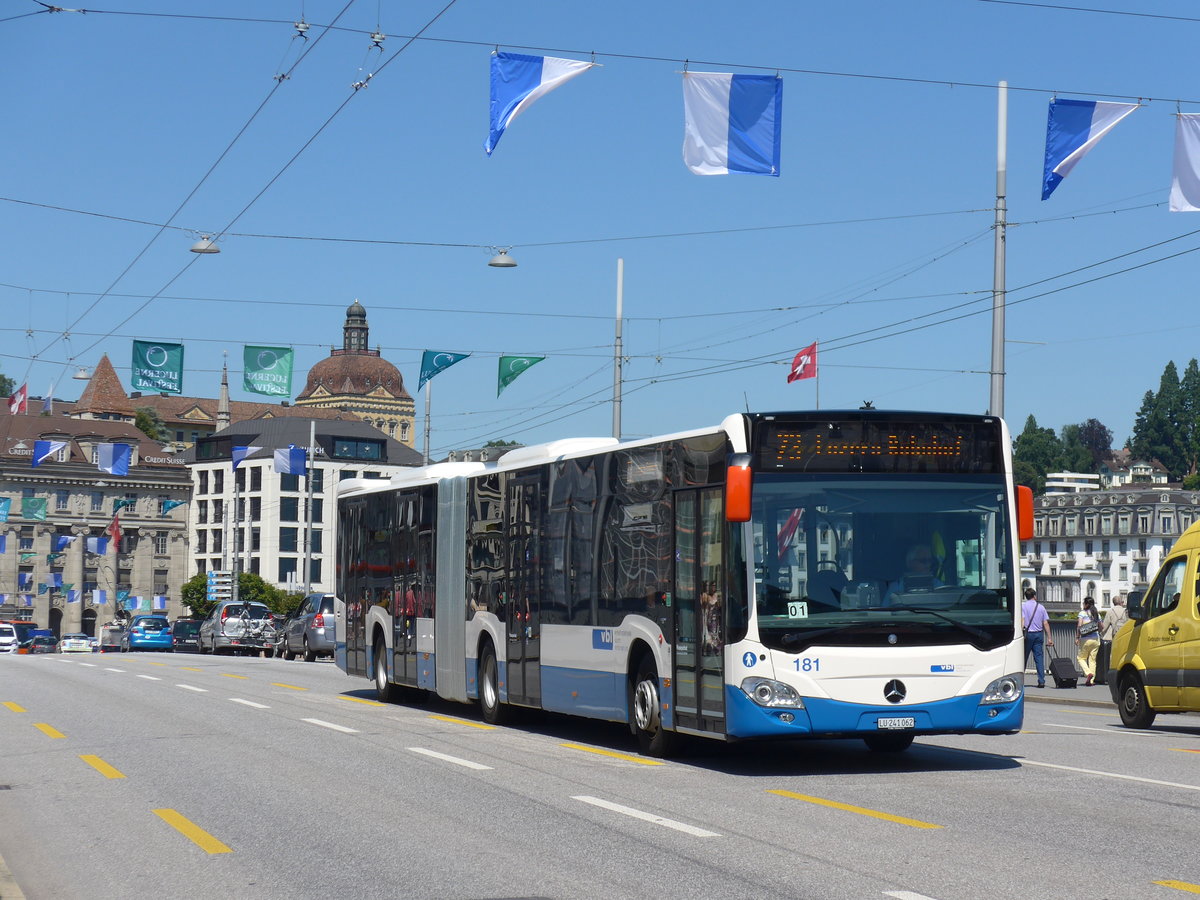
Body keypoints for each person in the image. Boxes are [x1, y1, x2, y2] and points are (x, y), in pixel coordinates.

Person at [1022, 587, 1053, 688]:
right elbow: (1045, 623)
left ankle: (1020, 680)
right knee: (1039, 658)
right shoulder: (1041, 607)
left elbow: (1022, 621)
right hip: (1039, 634)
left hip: (1028, 635)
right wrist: (1049, 637)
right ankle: (1041, 680)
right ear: (1034, 596)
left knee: (1023, 658)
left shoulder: (1023, 606)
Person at [1097, 595, 1128, 685]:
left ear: (1113, 602)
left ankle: (1112, 675)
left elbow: (1105, 626)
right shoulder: (1126, 611)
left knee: (1113, 656)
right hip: (1125, 635)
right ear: (1121, 602)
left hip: (1115, 636)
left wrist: (1101, 634)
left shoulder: (1110, 611)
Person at [1076, 596, 1103, 686]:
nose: (1083, 605)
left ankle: (1088, 673)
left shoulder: (1082, 613)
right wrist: (1097, 632)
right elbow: (1101, 627)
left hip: (1085, 639)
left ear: (1087, 604)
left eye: (1084, 603)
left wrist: (1077, 637)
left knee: (1081, 658)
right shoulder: (1096, 614)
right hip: (1095, 639)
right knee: (1092, 660)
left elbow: (1079, 626)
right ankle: (1091, 681)